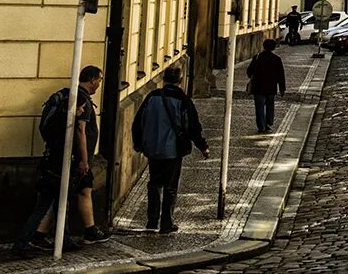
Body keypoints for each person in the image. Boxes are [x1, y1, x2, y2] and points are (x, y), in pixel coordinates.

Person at [13, 65, 108, 254]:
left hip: (51, 161)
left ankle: (58, 240)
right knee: (51, 204)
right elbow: (80, 133)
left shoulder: (65, 103)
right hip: (62, 163)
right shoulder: (79, 106)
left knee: (56, 203)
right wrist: (83, 160)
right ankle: (26, 243)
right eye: (99, 80)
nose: (99, 84)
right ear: (92, 80)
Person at [131, 66, 209, 234]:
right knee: (170, 186)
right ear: (180, 81)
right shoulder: (183, 100)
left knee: (154, 183)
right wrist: (202, 146)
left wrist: (138, 143)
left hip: (153, 148)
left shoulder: (152, 97)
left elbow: (138, 122)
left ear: (164, 79)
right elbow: (193, 126)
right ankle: (167, 222)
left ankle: (152, 221)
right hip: (172, 150)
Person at [246, 38, 287, 135]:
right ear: (273, 47)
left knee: (259, 107)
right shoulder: (277, 59)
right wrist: (282, 89)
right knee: (270, 105)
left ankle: (261, 126)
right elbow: (281, 75)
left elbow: (249, 72)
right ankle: (268, 123)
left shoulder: (257, 57)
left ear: (263, 46)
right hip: (271, 87)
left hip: (258, 87)